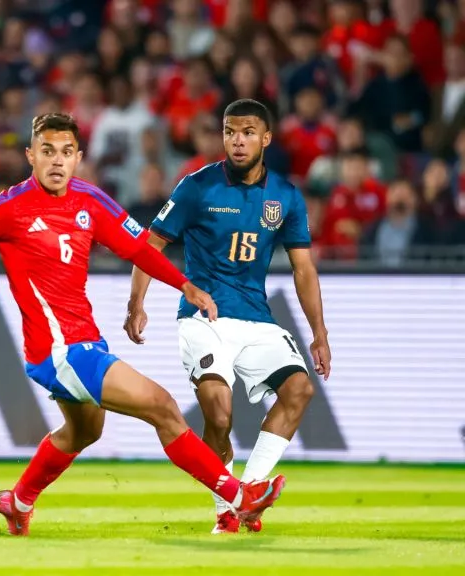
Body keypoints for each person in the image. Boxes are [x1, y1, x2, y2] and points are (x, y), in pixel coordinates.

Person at [0, 113, 286, 537]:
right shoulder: (7, 207)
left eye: (66, 152)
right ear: (30, 156)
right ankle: (238, 495)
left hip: (83, 341)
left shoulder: (90, 200)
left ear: (78, 157)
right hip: (58, 350)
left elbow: (138, 248)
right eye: (47, 151)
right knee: (162, 406)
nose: (57, 161)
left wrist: (184, 285)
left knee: (83, 431)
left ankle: (18, 501)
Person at [126, 99, 331, 534]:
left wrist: (319, 332)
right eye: (230, 131)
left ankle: (248, 494)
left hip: (257, 319)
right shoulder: (196, 187)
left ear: (266, 138)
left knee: (299, 390)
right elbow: (150, 246)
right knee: (218, 414)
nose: (237, 141)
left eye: (248, 132)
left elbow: (304, 269)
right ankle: (226, 502)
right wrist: (136, 303)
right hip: (205, 318)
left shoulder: (286, 197)